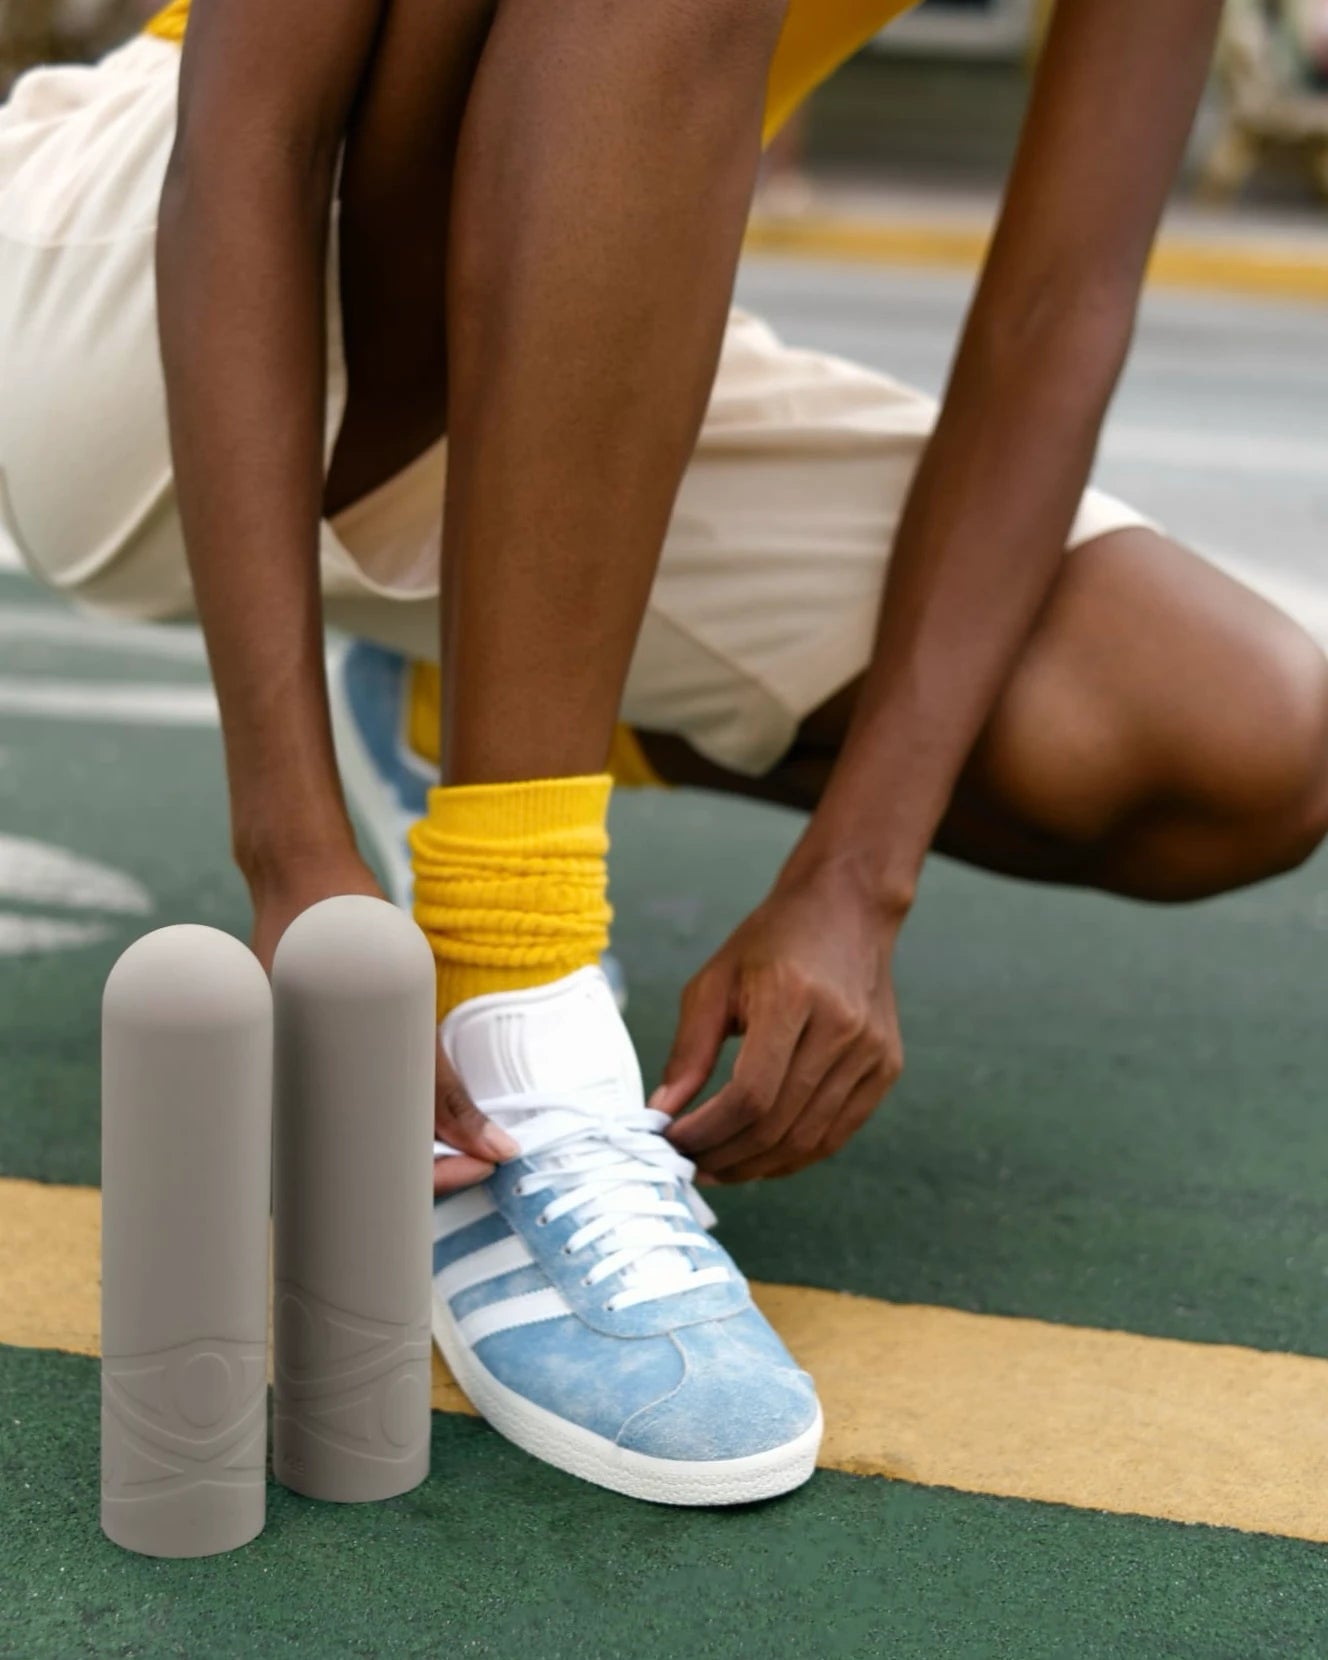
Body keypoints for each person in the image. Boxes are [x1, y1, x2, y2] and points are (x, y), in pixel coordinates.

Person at [3, 0, 1325, 1504]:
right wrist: (294, 852)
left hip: (531, 324)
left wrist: (857, 874)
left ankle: (460, 710)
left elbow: (1056, 310)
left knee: (1232, 737)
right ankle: (519, 979)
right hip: (136, 297)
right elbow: (248, 141)